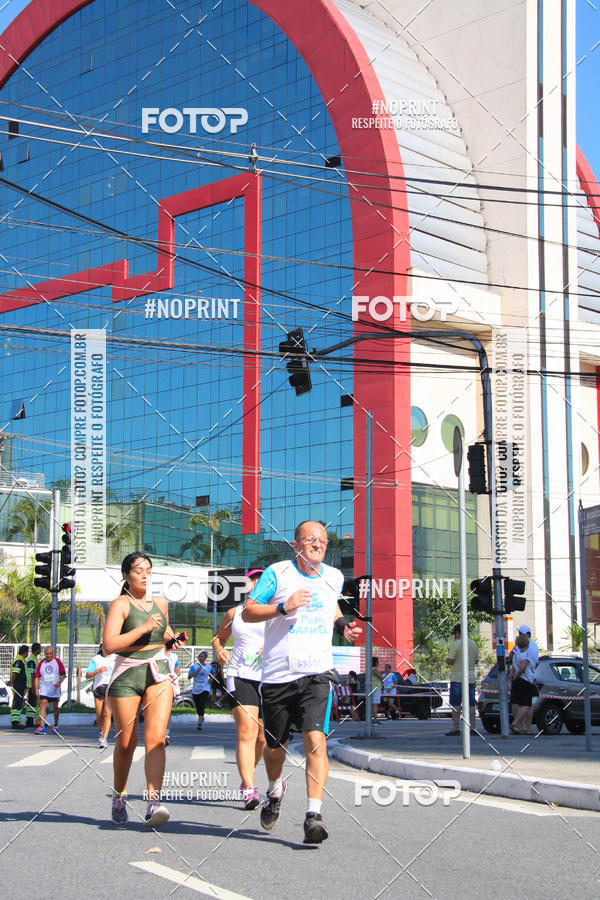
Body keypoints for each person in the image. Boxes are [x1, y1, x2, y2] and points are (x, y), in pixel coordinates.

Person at [243, 520, 361, 844]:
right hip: (279, 675)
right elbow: (248, 611)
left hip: (317, 673)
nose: (318, 544)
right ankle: (275, 789)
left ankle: (313, 816)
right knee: (274, 748)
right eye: (310, 539)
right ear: (296, 545)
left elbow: (330, 604)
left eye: (323, 540)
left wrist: (342, 626)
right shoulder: (277, 574)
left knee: (315, 739)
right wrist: (283, 607)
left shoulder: (333, 577)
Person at [104, 552, 185, 828]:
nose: (145, 574)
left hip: (158, 672)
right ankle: (118, 795)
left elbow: (162, 634)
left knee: (157, 739)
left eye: (148, 569)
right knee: (126, 743)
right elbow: (109, 645)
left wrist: (173, 638)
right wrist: (144, 628)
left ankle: (154, 803)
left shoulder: (160, 602)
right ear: (126, 575)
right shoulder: (121, 604)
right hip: (127, 673)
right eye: (138, 570)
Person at [212, 567, 266, 810]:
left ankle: (247, 776)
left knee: (263, 739)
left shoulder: (274, 612)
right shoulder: (235, 612)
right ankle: (249, 787)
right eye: (252, 579)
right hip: (240, 674)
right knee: (247, 731)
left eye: (260, 580)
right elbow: (218, 638)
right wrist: (220, 649)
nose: (255, 582)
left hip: (269, 677)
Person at [445, 624, 478, 736]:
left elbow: (450, 660)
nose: (456, 636)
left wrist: (447, 660)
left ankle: (455, 728)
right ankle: (472, 728)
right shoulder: (473, 644)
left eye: (456, 633)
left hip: (457, 677)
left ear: (458, 632)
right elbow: (476, 661)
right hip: (470, 677)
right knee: (471, 704)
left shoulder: (456, 644)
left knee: (456, 704)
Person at [85, 643, 115, 749]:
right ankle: (101, 731)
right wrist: (98, 671)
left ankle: (104, 739)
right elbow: (87, 674)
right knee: (99, 715)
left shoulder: (115, 658)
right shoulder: (96, 659)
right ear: (101, 648)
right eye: (103, 647)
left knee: (107, 714)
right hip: (98, 688)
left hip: (110, 688)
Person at [509, 633, 537, 734]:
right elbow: (523, 667)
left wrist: (512, 675)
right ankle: (516, 723)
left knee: (520, 703)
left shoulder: (516, 653)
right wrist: (516, 675)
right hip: (525, 680)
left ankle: (522, 727)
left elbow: (513, 665)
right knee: (527, 704)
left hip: (517, 681)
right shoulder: (525, 654)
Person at [34, 645, 66, 734]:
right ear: (45, 654)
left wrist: (59, 682)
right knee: (43, 704)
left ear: (53, 653)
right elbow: (36, 677)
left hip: (55, 690)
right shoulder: (41, 663)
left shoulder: (58, 662)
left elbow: (63, 675)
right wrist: (36, 689)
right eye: (47, 654)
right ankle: (42, 726)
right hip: (44, 689)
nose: (48, 656)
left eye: (50, 654)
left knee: (55, 707)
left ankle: (55, 725)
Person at [517, 624, 539, 734]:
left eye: (520, 634)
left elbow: (524, 664)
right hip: (531, 677)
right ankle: (527, 727)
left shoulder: (524, 646)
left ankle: (518, 724)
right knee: (528, 704)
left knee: (523, 704)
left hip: (523, 677)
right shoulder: (534, 645)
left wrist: (515, 675)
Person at [187, 651, 214, 731]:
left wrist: (212, 679)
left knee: (202, 703)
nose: (201, 658)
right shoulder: (194, 666)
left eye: (202, 657)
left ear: (205, 658)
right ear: (198, 658)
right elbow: (189, 677)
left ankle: (199, 722)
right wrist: (196, 672)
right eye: (200, 657)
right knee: (198, 705)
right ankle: (201, 717)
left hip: (205, 688)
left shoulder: (209, 667)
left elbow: (214, 673)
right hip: (196, 689)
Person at [165, 648, 181, 746]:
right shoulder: (157, 653)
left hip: (169, 683)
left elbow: (178, 670)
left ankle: (165, 735)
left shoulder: (174, 656)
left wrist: (176, 674)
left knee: (167, 710)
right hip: (158, 682)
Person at [10, 645, 28, 729]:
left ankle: (16, 721)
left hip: (21, 686)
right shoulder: (18, 661)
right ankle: (15, 723)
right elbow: (14, 674)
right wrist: (11, 682)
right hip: (18, 685)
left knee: (19, 703)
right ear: (25, 652)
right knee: (17, 704)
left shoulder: (21, 660)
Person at [24, 642, 41, 727]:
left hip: (34, 686)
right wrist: (34, 687)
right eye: (40, 648)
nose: (41, 650)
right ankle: (29, 722)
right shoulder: (31, 660)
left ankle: (32, 721)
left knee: (34, 704)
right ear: (37, 650)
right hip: (32, 686)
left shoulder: (34, 659)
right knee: (31, 703)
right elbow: (32, 675)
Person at [371, 656, 383, 722]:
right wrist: (388, 673)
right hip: (376, 688)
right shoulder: (375, 670)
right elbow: (382, 678)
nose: (379, 663)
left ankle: (373, 719)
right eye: (378, 662)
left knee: (372, 705)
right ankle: (375, 720)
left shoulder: (370, 669)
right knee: (375, 705)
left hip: (372, 688)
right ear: (376, 663)